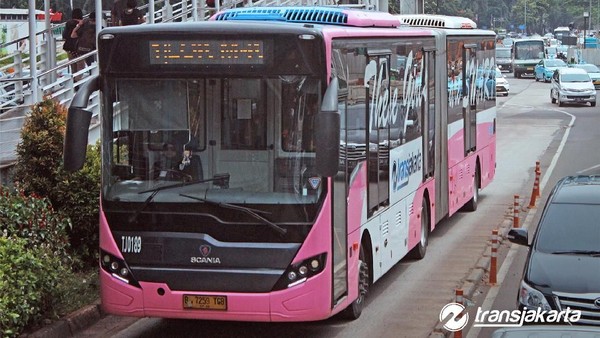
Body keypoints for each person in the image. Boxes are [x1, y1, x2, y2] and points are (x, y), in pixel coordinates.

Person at [63, 8, 85, 81]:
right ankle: (77, 81)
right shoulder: (82, 24)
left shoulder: (68, 23)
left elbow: (64, 35)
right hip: (78, 48)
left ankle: (74, 81)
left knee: (73, 66)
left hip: (69, 47)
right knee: (81, 65)